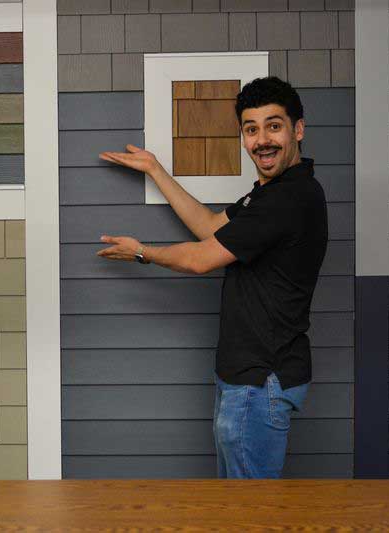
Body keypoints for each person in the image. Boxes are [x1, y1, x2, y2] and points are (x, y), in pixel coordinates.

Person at [97, 76, 327, 478]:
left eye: (274, 126)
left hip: (260, 383)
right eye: (251, 129)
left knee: (248, 516)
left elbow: (201, 258)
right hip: (245, 381)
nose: (262, 140)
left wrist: (141, 251)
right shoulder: (269, 194)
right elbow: (209, 227)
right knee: (235, 510)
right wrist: (155, 170)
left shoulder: (290, 199)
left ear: (298, 129)